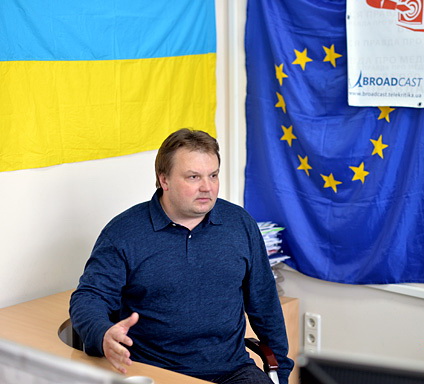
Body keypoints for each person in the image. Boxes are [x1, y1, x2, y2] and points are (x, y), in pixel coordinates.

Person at [70, 128, 293, 384]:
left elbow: (265, 305)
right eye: (193, 177)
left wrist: (281, 373)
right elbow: (89, 297)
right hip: (154, 372)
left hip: (232, 371)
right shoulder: (124, 233)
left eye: (213, 175)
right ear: (164, 180)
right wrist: (102, 333)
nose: (207, 188)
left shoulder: (240, 224)